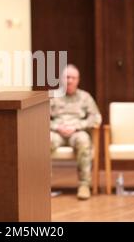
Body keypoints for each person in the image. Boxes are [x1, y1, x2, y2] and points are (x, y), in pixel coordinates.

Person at [50, 64, 102, 200]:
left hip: (77, 131)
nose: (70, 81)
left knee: (84, 140)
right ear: (61, 79)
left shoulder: (85, 97)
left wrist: (78, 126)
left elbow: (96, 117)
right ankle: (43, 185)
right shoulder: (53, 97)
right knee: (44, 141)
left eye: (73, 78)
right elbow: (40, 118)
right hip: (56, 132)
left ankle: (84, 185)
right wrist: (56, 127)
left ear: (78, 80)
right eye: (67, 77)